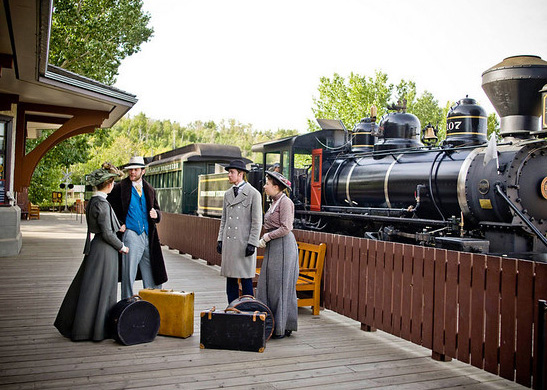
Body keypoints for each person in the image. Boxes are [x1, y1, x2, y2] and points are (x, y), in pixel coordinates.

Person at [54, 163, 128, 341]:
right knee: (103, 289)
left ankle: (85, 328)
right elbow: (107, 233)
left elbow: (104, 227)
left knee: (91, 288)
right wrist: (122, 246)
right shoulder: (102, 204)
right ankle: (97, 330)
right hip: (105, 251)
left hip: (97, 249)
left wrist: (118, 227)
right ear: (109, 184)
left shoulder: (95, 201)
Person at [107, 156, 168, 299]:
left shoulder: (150, 189)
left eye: (135, 169)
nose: (132, 172)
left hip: (149, 236)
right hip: (131, 234)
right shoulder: (120, 188)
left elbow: (158, 210)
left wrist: (156, 214)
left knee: (152, 271)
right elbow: (109, 209)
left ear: (143, 171)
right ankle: (127, 302)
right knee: (129, 273)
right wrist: (118, 224)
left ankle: (152, 301)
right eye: (130, 170)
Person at [256, 170, 299, 339]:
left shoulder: (285, 202)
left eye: (267, 183)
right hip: (274, 246)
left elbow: (286, 227)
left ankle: (282, 326)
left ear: (276, 186)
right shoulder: (274, 201)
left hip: (283, 246)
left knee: (280, 286)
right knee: (270, 284)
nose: (265, 186)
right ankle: (272, 323)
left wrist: (267, 237)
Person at [217, 159, 263, 304]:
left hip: (244, 244)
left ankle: (248, 310)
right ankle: (232, 307)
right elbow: (223, 219)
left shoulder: (254, 194)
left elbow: (257, 222)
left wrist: (252, 243)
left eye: (232, 172)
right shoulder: (227, 194)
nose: (229, 175)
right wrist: (220, 239)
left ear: (241, 174)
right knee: (230, 279)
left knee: (246, 279)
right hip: (230, 244)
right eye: (229, 172)